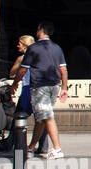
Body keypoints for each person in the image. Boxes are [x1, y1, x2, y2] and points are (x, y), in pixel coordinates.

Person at [14, 21, 69, 159]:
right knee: (41, 118)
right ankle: (31, 148)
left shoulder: (34, 48)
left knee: (47, 117)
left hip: (40, 86)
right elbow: (63, 69)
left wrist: (15, 83)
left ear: (40, 30)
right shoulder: (57, 48)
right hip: (54, 86)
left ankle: (57, 149)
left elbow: (23, 69)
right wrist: (64, 87)